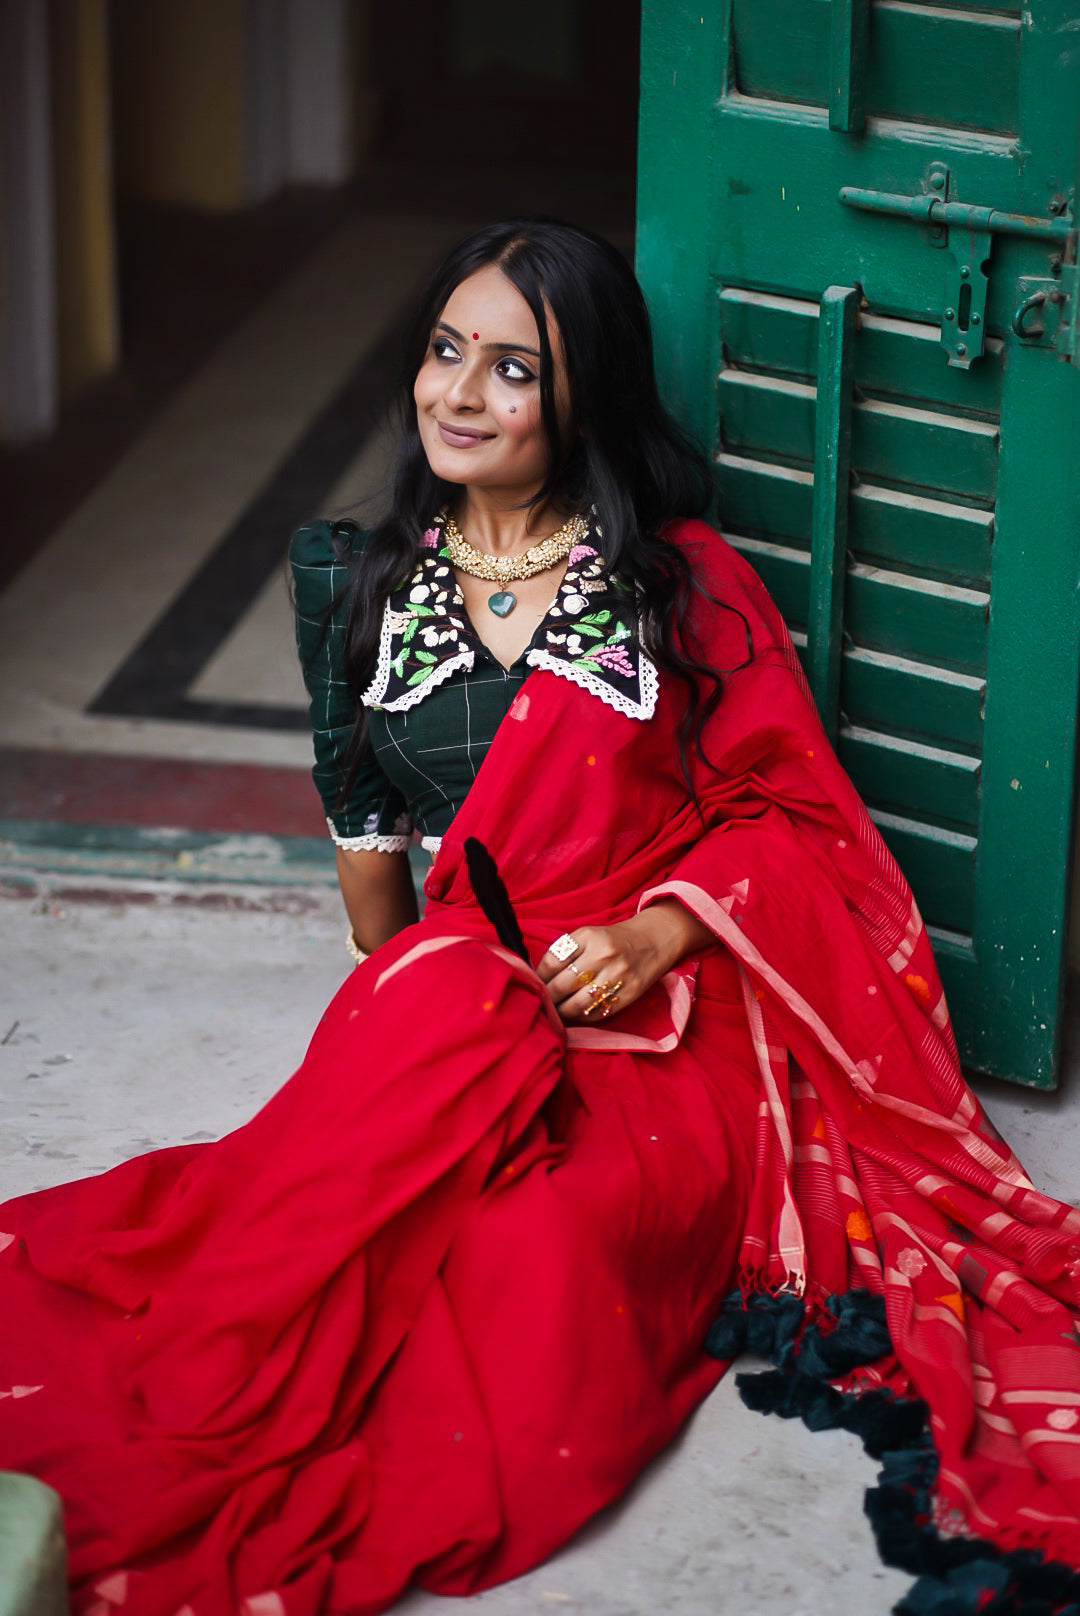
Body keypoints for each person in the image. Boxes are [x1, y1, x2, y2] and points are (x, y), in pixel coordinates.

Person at [3, 218, 1080, 1616]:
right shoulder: (363, 583)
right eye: (446, 351)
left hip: (669, 1007)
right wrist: (409, 1050)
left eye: (513, 368)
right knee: (302, 1234)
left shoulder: (674, 584)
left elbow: (799, 820)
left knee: (545, 1246)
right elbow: (367, 836)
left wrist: (663, 934)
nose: (458, 394)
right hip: (467, 977)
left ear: (586, 399)